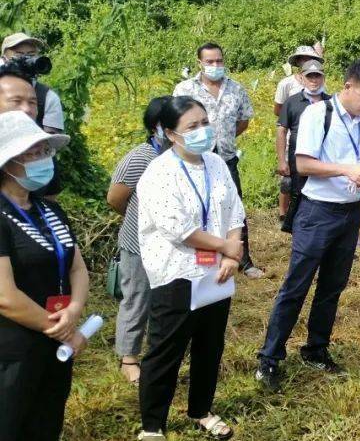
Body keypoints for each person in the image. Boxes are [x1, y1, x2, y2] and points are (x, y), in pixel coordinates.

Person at [256, 60, 360, 393]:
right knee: (296, 285)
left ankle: (316, 348)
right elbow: (304, 164)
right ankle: (269, 358)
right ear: (348, 86)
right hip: (317, 213)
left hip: (350, 213)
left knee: (332, 285)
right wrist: (346, 170)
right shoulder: (317, 115)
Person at [135, 96, 245, 441]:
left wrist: (234, 246)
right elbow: (180, 230)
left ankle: (201, 409)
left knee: (210, 345)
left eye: (204, 122)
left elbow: (234, 209)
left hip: (217, 272)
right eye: (191, 127)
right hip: (177, 274)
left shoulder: (215, 163)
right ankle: (152, 427)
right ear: (170, 134)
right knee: (165, 351)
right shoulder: (158, 173)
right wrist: (228, 249)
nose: (202, 131)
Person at [0, 111, 88, 441]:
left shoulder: (50, 211)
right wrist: (64, 328)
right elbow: (4, 295)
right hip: (11, 352)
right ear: (8, 162)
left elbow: (77, 267)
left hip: (53, 349)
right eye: (32, 151)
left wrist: (74, 310)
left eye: (44, 149)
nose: (42, 157)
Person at [173, 42, 262, 278]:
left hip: (226, 158)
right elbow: (175, 123)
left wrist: (226, 137)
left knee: (235, 209)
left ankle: (243, 260)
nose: (215, 65)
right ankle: (201, 259)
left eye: (219, 61)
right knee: (197, 208)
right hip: (194, 161)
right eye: (210, 62)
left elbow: (243, 120)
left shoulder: (236, 89)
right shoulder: (185, 89)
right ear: (199, 63)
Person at [106, 97, 172, 384]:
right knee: (137, 298)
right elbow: (116, 199)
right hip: (138, 243)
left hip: (170, 244)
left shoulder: (178, 156)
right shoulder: (141, 157)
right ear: (157, 126)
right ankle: (128, 357)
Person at [2, 33, 65, 198]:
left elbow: (49, 143)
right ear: (4, 57)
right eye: (19, 55)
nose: (26, 109)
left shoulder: (47, 96)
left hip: (30, 171)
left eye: (31, 55)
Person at [277, 59, 331, 225]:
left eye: (317, 76)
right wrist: (282, 160)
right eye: (310, 76)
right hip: (298, 160)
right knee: (299, 195)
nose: (314, 80)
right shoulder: (292, 102)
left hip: (325, 160)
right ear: (301, 78)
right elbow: (281, 131)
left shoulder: (331, 102)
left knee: (324, 195)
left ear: (323, 78)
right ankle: (300, 231)